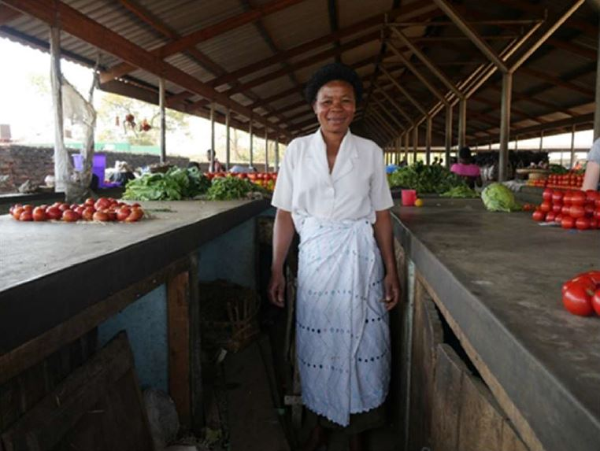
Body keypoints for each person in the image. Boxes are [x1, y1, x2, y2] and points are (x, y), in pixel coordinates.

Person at [268, 63, 400, 451]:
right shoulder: (296, 151)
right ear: (314, 107)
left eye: (345, 101)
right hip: (316, 264)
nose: (335, 108)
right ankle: (320, 424)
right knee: (317, 344)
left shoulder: (370, 152)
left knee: (364, 346)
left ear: (355, 108)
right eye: (327, 101)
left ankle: (358, 430)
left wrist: (390, 270)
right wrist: (276, 268)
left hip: (360, 262)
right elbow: (285, 214)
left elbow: (381, 216)